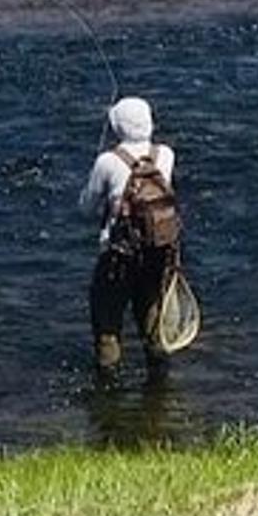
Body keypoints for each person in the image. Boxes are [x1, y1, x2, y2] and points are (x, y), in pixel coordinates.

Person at [77, 97, 182, 378]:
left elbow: (86, 206)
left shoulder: (108, 161)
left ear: (117, 126)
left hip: (118, 257)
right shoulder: (165, 155)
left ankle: (108, 396)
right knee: (151, 319)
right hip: (158, 253)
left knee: (107, 324)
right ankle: (159, 389)